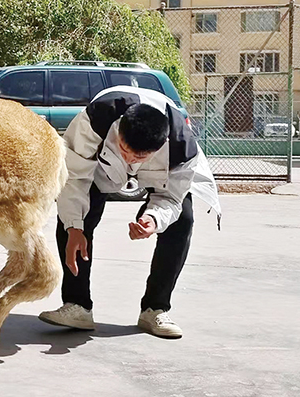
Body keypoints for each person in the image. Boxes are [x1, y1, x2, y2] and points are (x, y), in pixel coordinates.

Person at [39, 85, 221, 339]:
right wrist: (74, 227)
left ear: (161, 145)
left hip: (162, 181)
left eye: (141, 156)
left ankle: (154, 309)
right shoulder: (94, 120)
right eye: (125, 150)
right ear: (119, 130)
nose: (132, 161)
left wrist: (153, 219)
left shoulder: (182, 147)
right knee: (73, 218)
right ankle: (77, 305)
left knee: (183, 220)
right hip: (98, 170)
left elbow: (171, 197)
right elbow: (74, 178)